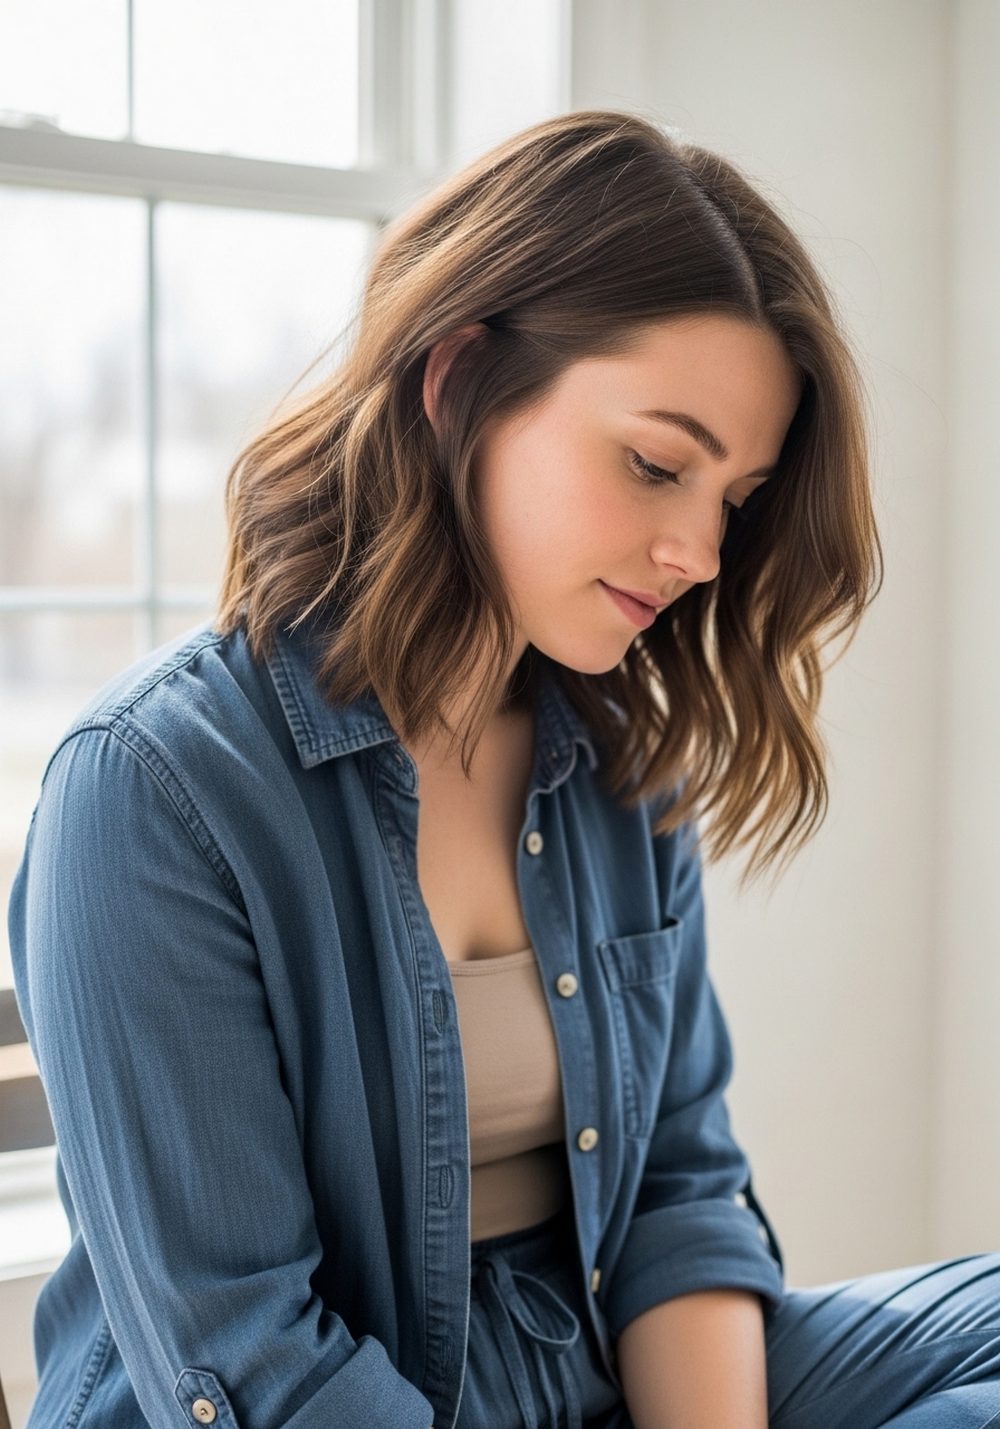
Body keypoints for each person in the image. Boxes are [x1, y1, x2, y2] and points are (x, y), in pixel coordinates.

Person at [7, 109, 1000, 1429]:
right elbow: (252, 1358)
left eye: (735, 499)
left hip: (583, 1363)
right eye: (657, 464)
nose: (702, 551)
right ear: (458, 377)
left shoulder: (619, 762)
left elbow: (675, 1194)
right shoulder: (150, 790)